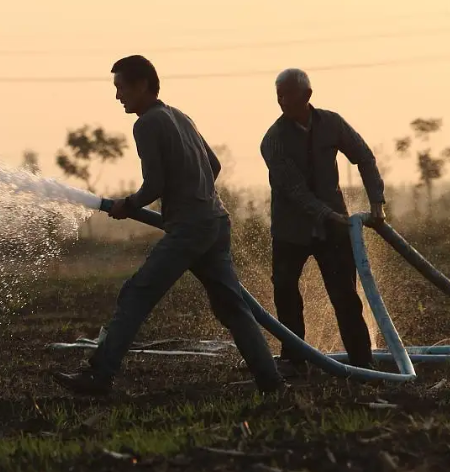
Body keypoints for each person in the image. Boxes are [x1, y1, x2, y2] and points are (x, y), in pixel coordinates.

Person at [53, 55, 286, 396]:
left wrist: (128, 204)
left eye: (121, 88)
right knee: (233, 308)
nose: (118, 97)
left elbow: (154, 184)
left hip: (190, 229)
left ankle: (99, 376)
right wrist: (194, 196)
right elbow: (214, 165)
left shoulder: (146, 123)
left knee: (137, 293)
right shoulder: (180, 116)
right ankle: (272, 383)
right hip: (215, 222)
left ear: (142, 85)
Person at [260, 68, 386, 377]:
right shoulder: (273, 139)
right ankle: (294, 359)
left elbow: (364, 156)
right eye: (278, 94)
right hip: (292, 231)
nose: (282, 100)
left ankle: (361, 361)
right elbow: (295, 191)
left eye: (287, 94)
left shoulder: (331, 124)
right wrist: (331, 217)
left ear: (306, 96)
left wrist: (377, 205)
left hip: (335, 229)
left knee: (345, 294)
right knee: (286, 292)